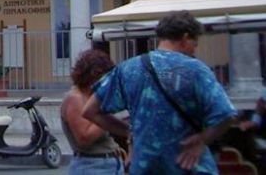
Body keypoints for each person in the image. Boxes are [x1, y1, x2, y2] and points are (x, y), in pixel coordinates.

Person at [83, 11, 237, 175]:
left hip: (145, 167)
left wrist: (130, 131)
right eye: (195, 44)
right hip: (188, 166)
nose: (194, 51)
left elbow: (90, 111)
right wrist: (201, 141)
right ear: (185, 38)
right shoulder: (196, 70)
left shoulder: (128, 69)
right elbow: (225, 114)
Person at [61, 50, 124, 175]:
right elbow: (84, 137)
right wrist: (105, 111)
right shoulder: (76, 98)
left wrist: (114, 147)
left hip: (109, 163)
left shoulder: (92, 97)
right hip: (92, 166)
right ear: (94, 75)